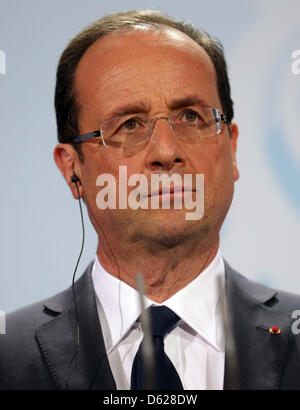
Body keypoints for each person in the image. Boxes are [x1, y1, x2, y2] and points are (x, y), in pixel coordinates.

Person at [1, 9, 300, 390]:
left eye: (192, 117)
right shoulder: (8, 357)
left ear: (232, 148)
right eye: (129, 124)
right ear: (72, 168)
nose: (166, 150)